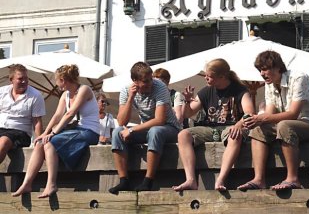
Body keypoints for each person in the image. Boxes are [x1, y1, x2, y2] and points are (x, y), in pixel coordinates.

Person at [237, 50, 309, 191]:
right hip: (298, 124)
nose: (262, 74)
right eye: (260, 70)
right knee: (259, 129)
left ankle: (293, 179)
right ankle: (259, 179)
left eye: (264, 69)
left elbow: (293, 114)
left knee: (285, 125)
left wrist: (261, 117)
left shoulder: (298, 78)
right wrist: (255, 121)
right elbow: (270, 114)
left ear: (277, 67)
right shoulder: (270, 84)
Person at [12, 64, 99, 198]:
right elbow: (57, 115)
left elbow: (70, 113)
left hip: (89, 131)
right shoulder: (65, 95)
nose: (57, 85)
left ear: (63, 80)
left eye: (58, 81)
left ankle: (51, 184)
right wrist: (44, 133)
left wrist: (53, 134)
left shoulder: (84, 90)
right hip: (76, 130)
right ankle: (27, 183)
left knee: (50, 143)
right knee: (40, 143)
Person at [172, 58, 254, 192]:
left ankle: (221, 179)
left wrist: (239, 124)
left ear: (221, 77)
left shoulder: (240, 90)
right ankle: (191, 180)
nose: (206, 79)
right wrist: (187, 101)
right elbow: (188, 113)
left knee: (235, 135)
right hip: (210, 128)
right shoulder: (206, 91)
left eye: (209, 76)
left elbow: (249, 112)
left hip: (231, 127)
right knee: (183, 135)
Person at [108, 62, 181, 193]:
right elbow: (121, 121)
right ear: (135, 81)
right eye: (145, 81)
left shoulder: (160, 87)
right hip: (147, 128)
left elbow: (160, 120)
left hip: (169, 128)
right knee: (117, 132)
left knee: (155, 131)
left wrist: (131, 130)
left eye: (150, 79)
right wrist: (130, 98)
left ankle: (148, 181)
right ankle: (124, 180)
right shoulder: (126, 90)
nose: (150, 83)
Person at [0, 64, 45, 164]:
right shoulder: (2, 92)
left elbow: (37, 121)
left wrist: (39, 143)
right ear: (11, 79)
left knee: (3, 142)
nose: (24, 81)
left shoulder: (35, 95)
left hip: (19, 132)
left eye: (26, 78)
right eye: (20, 79)